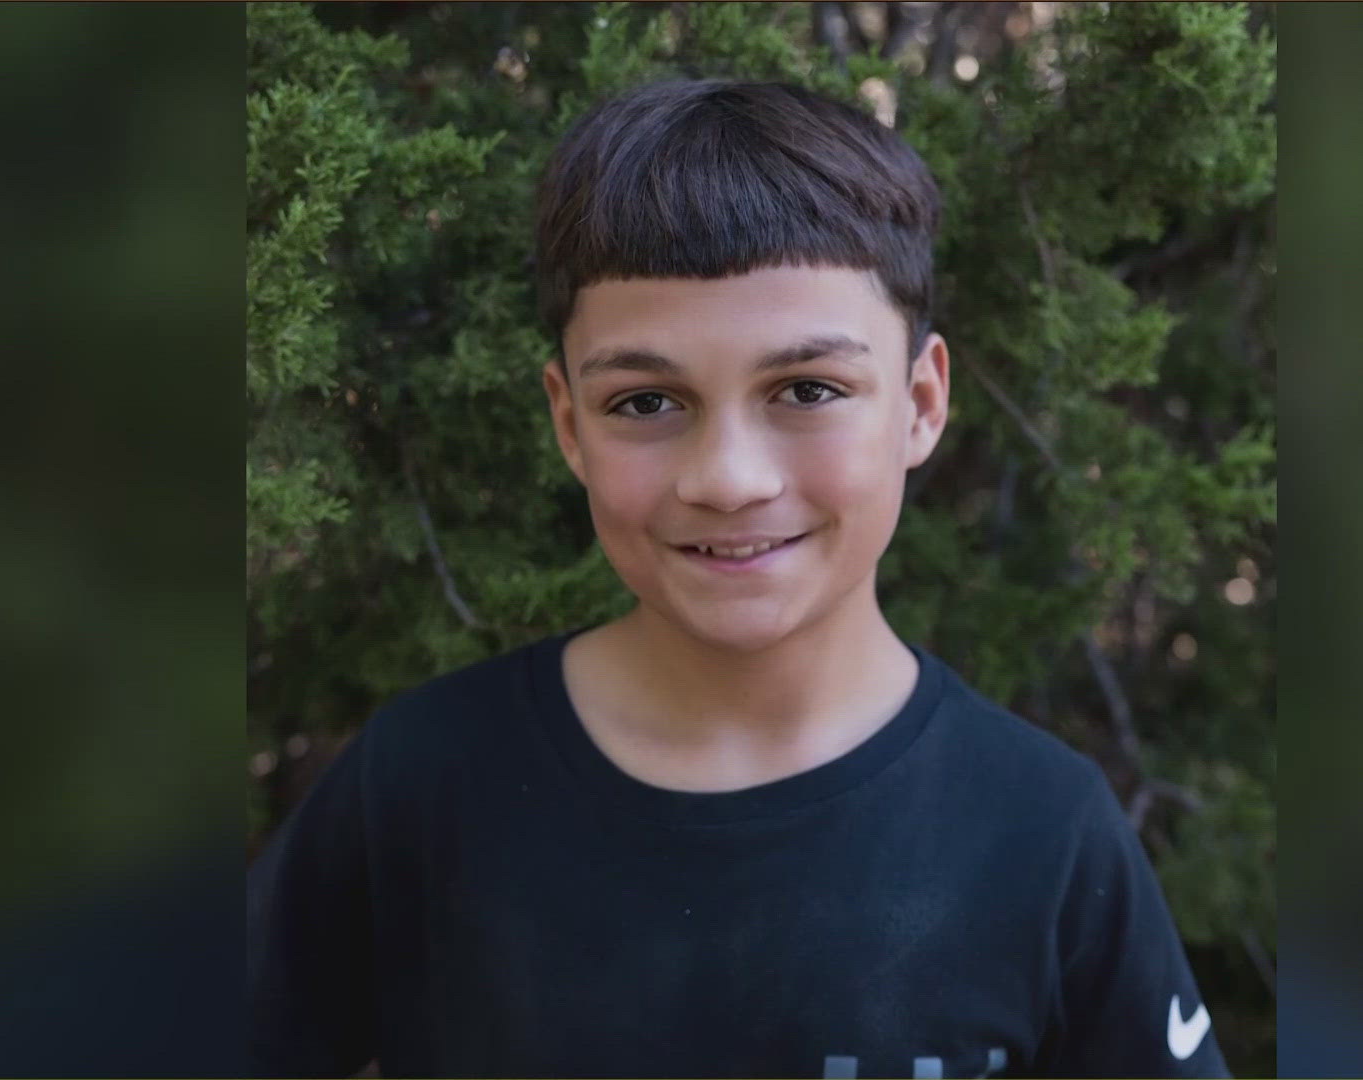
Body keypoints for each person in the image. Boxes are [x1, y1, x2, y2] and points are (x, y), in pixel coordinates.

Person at [248, 77, 1229, 1080]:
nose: (728, 480)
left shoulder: (1043, 832)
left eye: (807, 390)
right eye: (645, 402)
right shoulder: (421, 781)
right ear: (567, 421)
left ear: (922, 403)